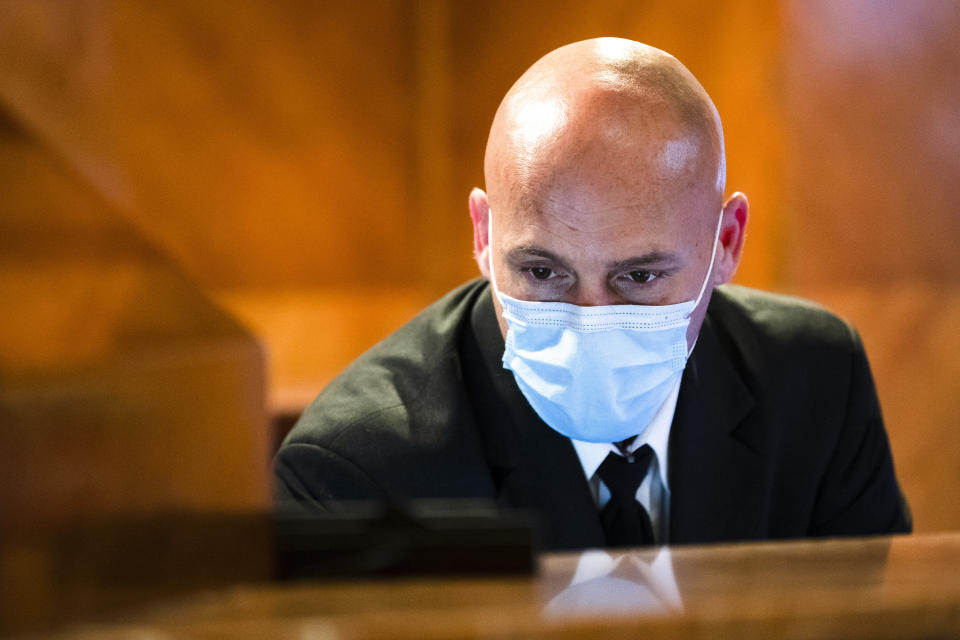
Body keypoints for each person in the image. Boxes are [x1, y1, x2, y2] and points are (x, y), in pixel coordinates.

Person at [274, 37, 911, 550]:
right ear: (484, 233)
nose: (588, 324)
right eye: (543, 274)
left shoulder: (816, 382)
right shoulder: (354, 472)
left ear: (726, 242)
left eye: (639, 277)